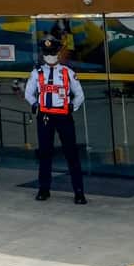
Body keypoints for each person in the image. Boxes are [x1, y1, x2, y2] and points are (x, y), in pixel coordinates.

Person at [24, 36, 87, 204]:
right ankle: (44, 189)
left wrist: (72, 107)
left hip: (63, 117)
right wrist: (34, 105)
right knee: (45, 153)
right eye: (47, 53)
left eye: (52, 52)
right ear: (43, 54)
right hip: (45, 117)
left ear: (58, 53)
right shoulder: (37, 72)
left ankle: (79, 192)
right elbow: (28, 93)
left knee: (71, 154)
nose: (49, 56)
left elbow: (80, 95)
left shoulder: (68, 72)